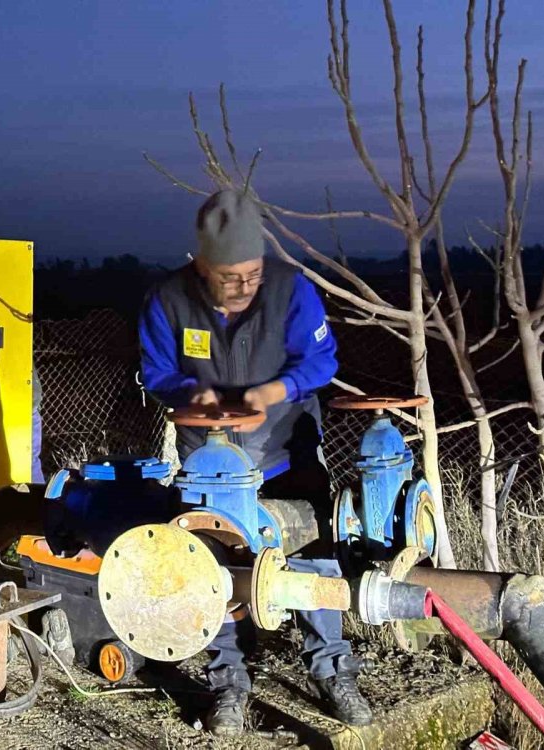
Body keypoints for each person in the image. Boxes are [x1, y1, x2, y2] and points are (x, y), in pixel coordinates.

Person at [138, 189, 373, 735]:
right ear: (200, 263)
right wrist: (192, 394)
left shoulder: (291, 290)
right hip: (209, 457)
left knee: (314, 552)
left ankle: (334, 671)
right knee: (213, 564)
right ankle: (228, 681)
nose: (244, 286)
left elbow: (320, 361)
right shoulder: (167, 299)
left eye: (252, 272)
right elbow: (157, 372)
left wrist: (273, 392)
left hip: (286, 445)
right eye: (229, 275)